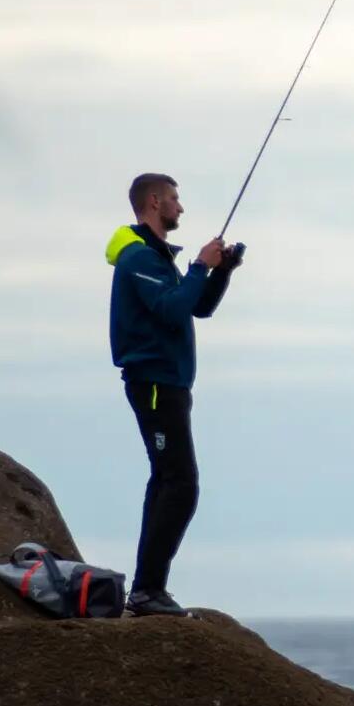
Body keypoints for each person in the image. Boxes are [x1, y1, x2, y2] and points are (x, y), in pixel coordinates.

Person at [105, 173, 241, 616]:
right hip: (156, 385)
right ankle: (147, 591)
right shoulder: (138, 257)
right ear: (153, 201)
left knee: (167, 482)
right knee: (181, 484)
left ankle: (148, 588)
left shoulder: (158, 258)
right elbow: (170, 309)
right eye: (175, 200)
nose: (180, 208)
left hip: (172, 385)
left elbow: (197, 307)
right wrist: (200, 266)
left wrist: (219, 273)